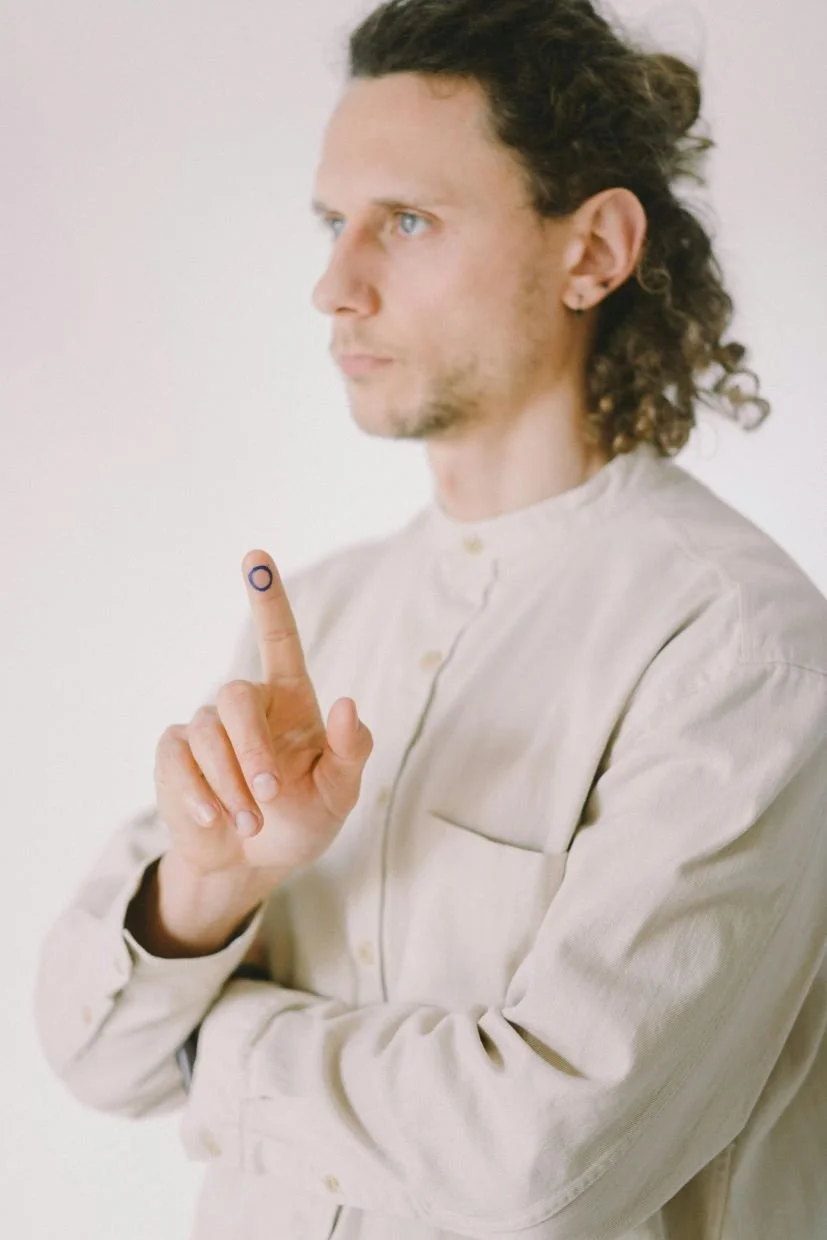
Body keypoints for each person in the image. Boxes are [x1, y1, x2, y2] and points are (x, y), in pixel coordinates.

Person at [34, 2, 827, 1238]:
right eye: (331, 224)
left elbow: (543, 1162)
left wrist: (215, 1042)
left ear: (591, 251)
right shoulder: (319, 611)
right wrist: (206, 889)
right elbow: (89, 1050)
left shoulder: (738, 647)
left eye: (405, 221)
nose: (333, 286)